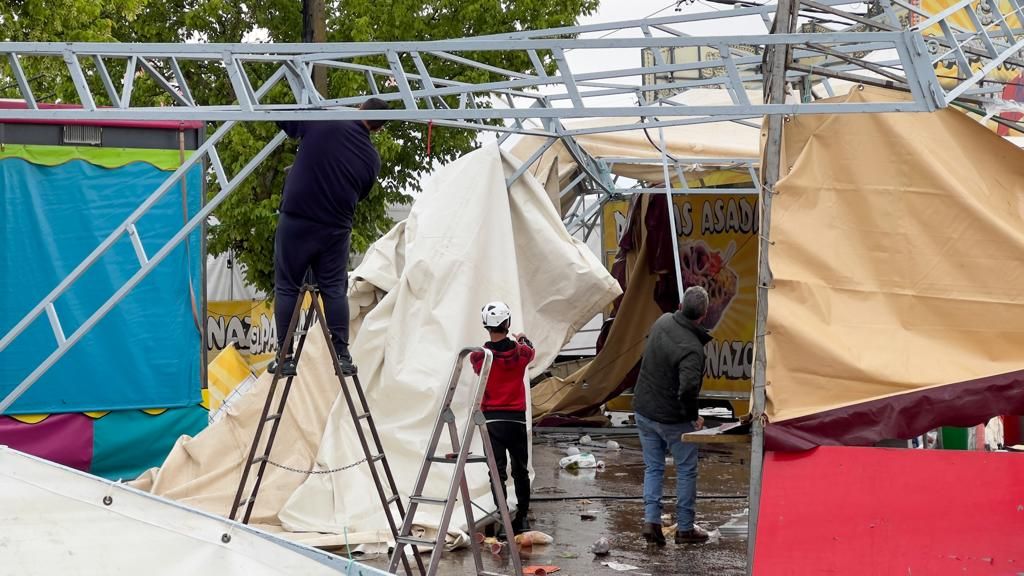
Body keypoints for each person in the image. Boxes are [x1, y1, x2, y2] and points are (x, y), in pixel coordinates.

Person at [269, 97, 390, 377]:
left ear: (360, 108)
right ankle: (342, 354)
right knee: (334, 289)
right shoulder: (372, 160)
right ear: (378, 129)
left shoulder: (327, 119)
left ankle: (284, 357)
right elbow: (360, 193)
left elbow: (284, 119)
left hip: (297, 220)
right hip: (336, 228)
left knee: (287, 286)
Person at [633, 285, 712, 546]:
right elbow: (688, 388)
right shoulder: (692, 348)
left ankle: (651, 521)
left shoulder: (663, 321)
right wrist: (693, 417)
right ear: (703, 315)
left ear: (680, 306)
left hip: (644, 410)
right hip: (672, 418)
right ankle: (685, 529)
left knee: (653, 468)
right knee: (686, 470)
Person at [470, 301, 535, 537]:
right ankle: (523, 517)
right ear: (507, 323)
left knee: (496, 471)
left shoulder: (479, 356)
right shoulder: (521, 353)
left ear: (486, 326)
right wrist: (523, 338)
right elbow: (530, 350)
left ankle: (503, 518)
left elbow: (478, 368)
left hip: (492, 421)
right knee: (520, 470)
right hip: (516, 419)